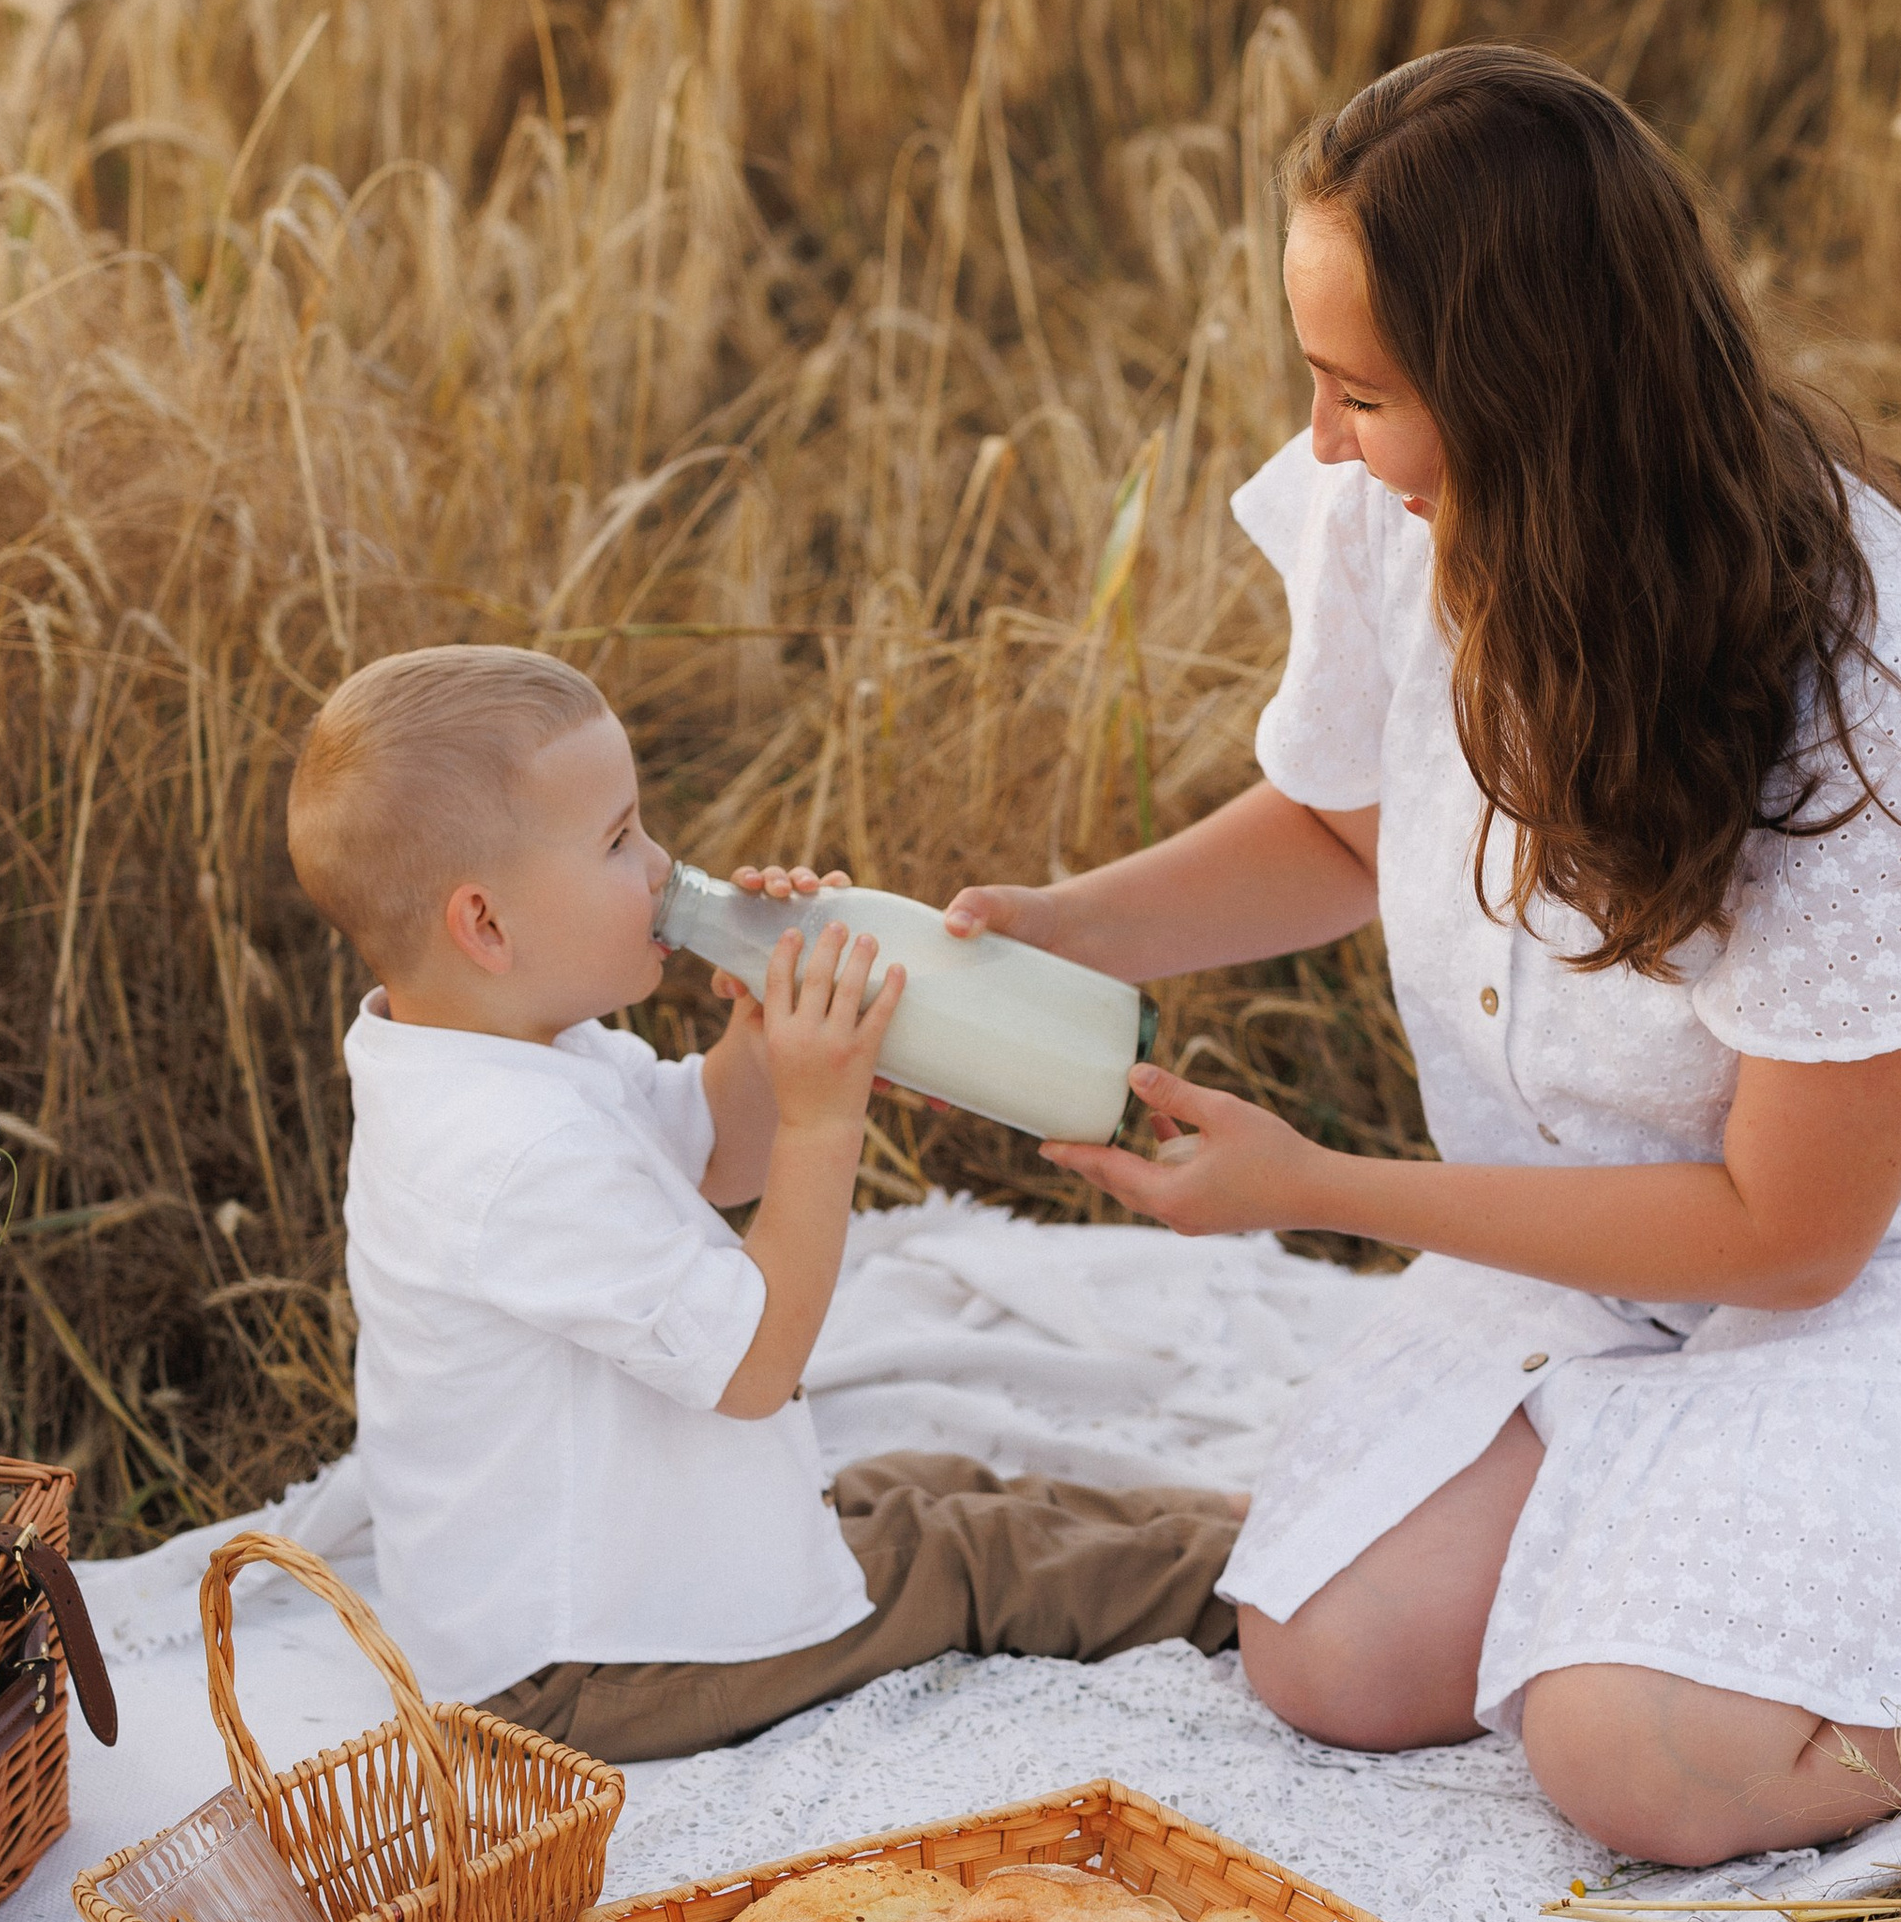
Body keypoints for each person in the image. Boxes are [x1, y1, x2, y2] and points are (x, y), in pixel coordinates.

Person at [944, 44, 1901, 1869]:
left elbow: (1795, 1235)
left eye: (1361, 391)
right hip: (1606, 1246)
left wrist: (1322, 1186)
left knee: (1641, 1766)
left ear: (1533, 391)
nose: (1321, 441)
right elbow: (1337, 825)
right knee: (1331, 1655)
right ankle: (1662, 1502)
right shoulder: (1408, 517)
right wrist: (1051, 921)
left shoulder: (1860, 689)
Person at [283, 644, 1240, 1761]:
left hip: (613, 1574)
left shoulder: (492, 1052)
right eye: (616, 840)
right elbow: (754, 1371)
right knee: (973, 1557)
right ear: (486, 926)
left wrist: (757, 1034)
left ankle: (1218, 1527)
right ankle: (1264, 1586)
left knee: (918, 1491)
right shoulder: (507, 1152)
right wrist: (824, 1118)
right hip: (579, 1670)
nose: (659, 866)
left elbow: (706, 1156)